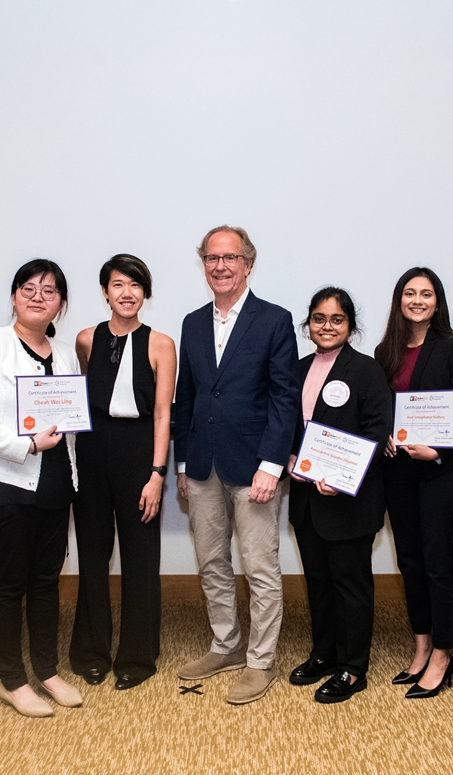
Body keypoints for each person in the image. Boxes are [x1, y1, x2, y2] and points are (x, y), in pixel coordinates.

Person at [173, 225, 298, 705]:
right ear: (203, 263)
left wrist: (272, 465)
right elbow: (188, 397)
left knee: (260, 568)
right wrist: (183, 461)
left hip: (254, 468)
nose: (220, 266)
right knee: (212, 563)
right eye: (212, 258)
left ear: (248, 263)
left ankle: (260, 661)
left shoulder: (275, 320)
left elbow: (285, 398)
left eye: (230, 257)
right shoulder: (192, 322)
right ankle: (225, 645)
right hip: (202, 464)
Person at [0, 259, 82, 718]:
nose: (37, 297)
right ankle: (13, 680)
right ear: (13, 297)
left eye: (49, 291)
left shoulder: (65, 353)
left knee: (46, 582)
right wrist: (24, 444)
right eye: (28, 288)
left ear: (61, 304)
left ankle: (47, 671)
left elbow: (69, 420)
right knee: (9, 585)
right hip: (3, 481)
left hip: (55, 483)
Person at [68, 255, 176, 691]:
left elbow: (163, 414)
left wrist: (157, 474)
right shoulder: (85, 339)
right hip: (92, 451)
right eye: (118, 284)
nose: (127, 293)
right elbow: (77, 397)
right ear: (104, 292)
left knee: (140, 557)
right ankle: (90, 653)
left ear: (145, 293)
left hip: (139, 455)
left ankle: (136, 656)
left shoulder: (161, 344)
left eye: (135, 285)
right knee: (92, 555)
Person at [373, 267, 453, 699]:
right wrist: (384, 435)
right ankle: (421, 645)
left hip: (441, 471)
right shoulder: (385, 351)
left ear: (438, 302)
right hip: (399, 471)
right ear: (399, 300)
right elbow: (380, 407)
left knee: (437, 563)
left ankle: (443, 653)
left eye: (427, 294)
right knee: (410, 562)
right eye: (410, 293)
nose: (418, 300)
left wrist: (438, 450)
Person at [286, 287, 391, 704]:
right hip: (307, 500)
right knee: (319, 582)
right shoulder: (297, 369)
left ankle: (353, 668)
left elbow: (377, 430)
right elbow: (288, 425)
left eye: (336, 319)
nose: (326, 326)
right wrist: (288, 455)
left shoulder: (365, 370)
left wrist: (344, 476)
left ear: (350, 325)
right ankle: (325, 654)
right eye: (319, 318)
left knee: (351, 586)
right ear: (308, 324)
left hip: (349, 501)